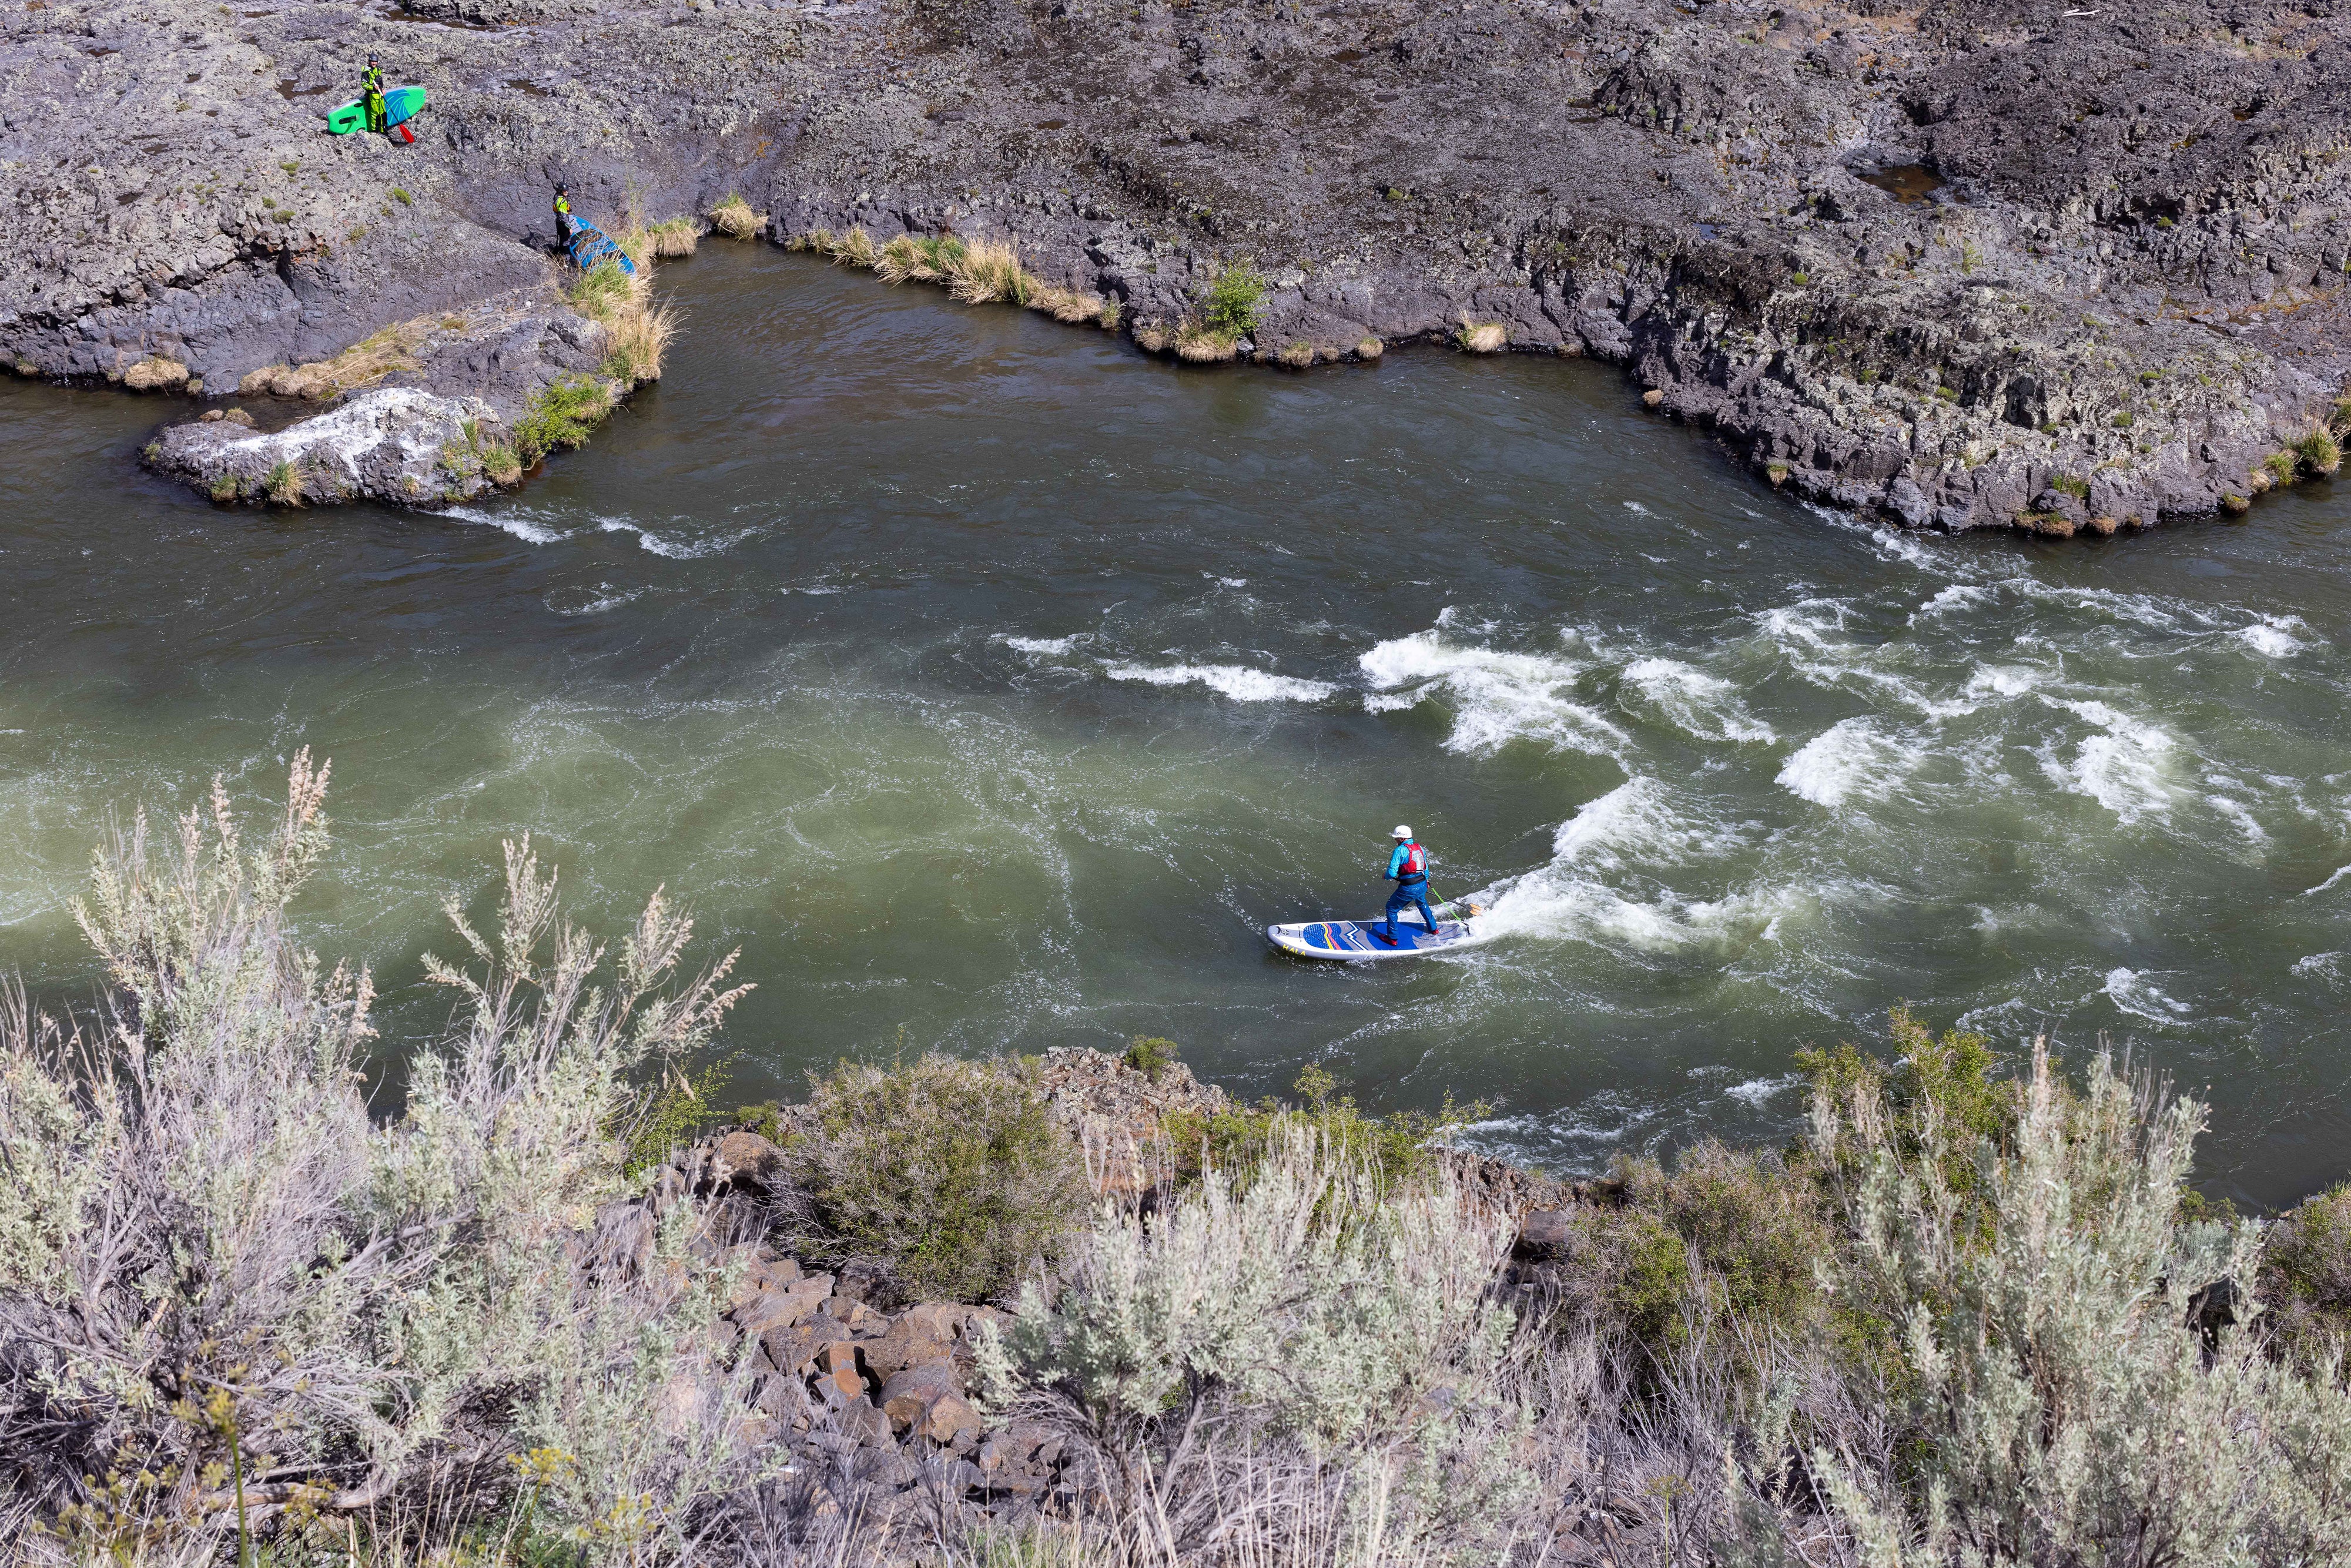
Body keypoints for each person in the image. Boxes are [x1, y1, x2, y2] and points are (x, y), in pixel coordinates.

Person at [1376, 825, 1438, 944]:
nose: (1395, 840)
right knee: (1422, 904)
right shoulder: (1420, 848)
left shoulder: (1399, 850)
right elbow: (1425, 867)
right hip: (1422, 884)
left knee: (1391, 909)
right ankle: (1434, 929)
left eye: (1397, 838)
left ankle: (1392, 938)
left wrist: (1386, 876)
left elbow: (1392, 873)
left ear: (1402, 838)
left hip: (1409, 888)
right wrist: (1426, 880)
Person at [361, 54, 387, 133]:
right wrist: (373, 88)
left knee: (383, 112)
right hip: (372, 95)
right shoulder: (366, 72)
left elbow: (380, 82)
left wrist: (382, 89)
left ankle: (384, 130)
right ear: (369, 62)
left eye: (376, 62)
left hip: (380, 95)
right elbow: (364, 85)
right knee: (375, 113)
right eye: (373, 61)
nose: (374, 63)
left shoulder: (378, 69)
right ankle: (376, 131)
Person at [552, 182, 574, 250]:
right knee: (566, 241)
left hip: (559, 222)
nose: (566, 192)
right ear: (561, 191)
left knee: (562, 239)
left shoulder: (558, 198)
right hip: (563, 224)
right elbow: (563, 216)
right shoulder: (562, 201)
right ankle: (565, 255)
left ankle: (560, 253)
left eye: (567, 190)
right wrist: (569, 228)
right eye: (564, 191)